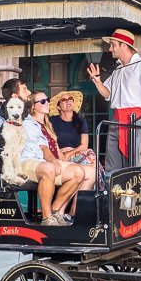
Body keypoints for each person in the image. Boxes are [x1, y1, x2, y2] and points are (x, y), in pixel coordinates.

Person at [86, 28, 141, 170]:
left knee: (130, 161)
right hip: (116, 118)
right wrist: (97, 81)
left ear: (124, 45)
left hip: (134, 118)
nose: (110, 49)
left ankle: (130, 191)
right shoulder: (118, 70)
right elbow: (107, 93)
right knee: (112, 161)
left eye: (113, 45)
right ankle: (113, 190)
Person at [21, 92, 85, 226]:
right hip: (26, 161)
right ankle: (46, 217)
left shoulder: (46, 124)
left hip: (41, 162)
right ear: (33, 106)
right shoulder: (28, 123)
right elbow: (44, 148)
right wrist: (55, 162)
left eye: (47, 100)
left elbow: (49, 148)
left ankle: (55, 210)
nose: (47, 103)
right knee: (49, 168)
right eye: (42, 101)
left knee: (78, 172)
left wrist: (60, 161)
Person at [31, 91, 95, 221]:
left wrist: (68, 154)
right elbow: (47, 145)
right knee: (80, 169)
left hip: (74, 153)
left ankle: (74, 211)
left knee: (93, 170)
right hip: (54, 157)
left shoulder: (80, 121)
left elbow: (84, 145)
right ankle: (58, 211)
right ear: (59, 106)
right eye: (64, 100)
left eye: (70, 99)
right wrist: (59, 156)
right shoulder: (49, 121)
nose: (68, 101)